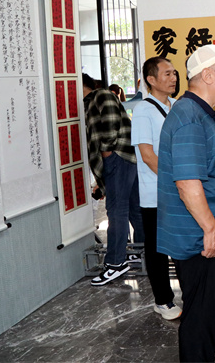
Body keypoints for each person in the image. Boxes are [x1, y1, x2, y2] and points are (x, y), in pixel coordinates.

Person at [157, 45, 215, 362]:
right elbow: (187, 184)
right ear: (207, 75)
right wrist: (210, 229)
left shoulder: (197, 113)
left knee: (209, 311)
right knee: (200, 316)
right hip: (200, 237)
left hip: (205, 233)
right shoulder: (190, 119)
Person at [82, 73, 144, 286]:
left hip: (117, 156)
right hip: (125, 157)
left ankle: (116, 263)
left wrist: (107, 153)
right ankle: (140, 253)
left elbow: (110, 122)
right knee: (134, 209)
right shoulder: (91, 101)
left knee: (116, 210)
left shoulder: (100, 95)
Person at [131, 57, 180, 320]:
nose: (173, 78)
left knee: (183, 243)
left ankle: (193, 291)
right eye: (167, 74)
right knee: (158, 248)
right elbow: (148, 156)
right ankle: (162, 300)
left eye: (174, 73)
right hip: (156, 193)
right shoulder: (143, 110)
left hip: (179, 188)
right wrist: (176, 180)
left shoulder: (175, 106)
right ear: (151, 79)